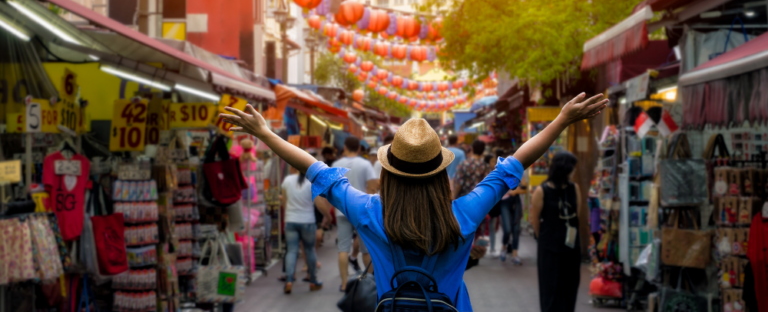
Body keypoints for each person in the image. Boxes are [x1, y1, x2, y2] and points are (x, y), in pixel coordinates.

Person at [222, 92, 606, 312]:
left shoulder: (371, 213)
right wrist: (561, 121)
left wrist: (266, 135)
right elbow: (516, 163)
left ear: (390, 171)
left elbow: (316, 170)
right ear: (441, 172)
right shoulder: (464, 214)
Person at [530, 151, 582, 312]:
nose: (574, 172)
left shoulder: (575, 188)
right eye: (572, 168)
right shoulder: (542, 190)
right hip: (549, 248)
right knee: (550, 289)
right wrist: (544, 239)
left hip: (571, 247)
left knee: (570, 288)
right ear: (564, 169)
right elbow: (535, 219)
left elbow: (577, 215)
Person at [331, 135, 378, 290]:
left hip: (341, 209)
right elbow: (372, 187)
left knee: (343, 248)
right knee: (366, 249)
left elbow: (329, 188)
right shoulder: (365, 164)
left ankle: (344, 283)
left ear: (344, 147)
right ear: (359, 148)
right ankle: (370, 282)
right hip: (362, 210)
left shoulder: (336, 164)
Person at [281, 166, 332, 294]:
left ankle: (288, 280)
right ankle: (313, 281)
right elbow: (320, 204)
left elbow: (285, 203)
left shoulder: (287, 181)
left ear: (293, 167)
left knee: (291, 251)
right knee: (310, 250)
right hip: (308, 221)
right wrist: (328, 216)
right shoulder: (311, 182)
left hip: (291, 221)